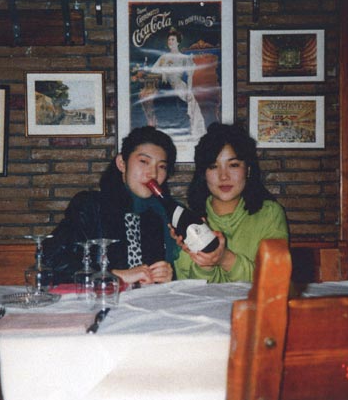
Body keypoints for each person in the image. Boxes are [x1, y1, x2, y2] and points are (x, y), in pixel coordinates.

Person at [43, 126, 179, 286]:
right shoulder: (91, 205)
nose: (153, 174)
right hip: (97, 299)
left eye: (161, 166)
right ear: (122, 163)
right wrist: (114, 276)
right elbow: (51, 260)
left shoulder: (158, 214)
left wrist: (166, 275)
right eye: (144, 161)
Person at [174, 123, 289, 282]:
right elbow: (189, 288)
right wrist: (206, 264)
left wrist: (226, 259)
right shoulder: (188, 222)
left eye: (233, 165)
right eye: (213, 166)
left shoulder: (270, 214)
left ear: (248, 169)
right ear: (203, 173)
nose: (224, 176)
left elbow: (274, 279)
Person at [148, 28, 206, 139]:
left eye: (173, 40)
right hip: (165, 87)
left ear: (178, 42)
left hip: (179, 87)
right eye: (169, 40)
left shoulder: (184, 58)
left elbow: (190, 76)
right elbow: (153, 70)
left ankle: (190, 133)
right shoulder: (163, 57)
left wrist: (189, 91)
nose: (170, 42)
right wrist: (163, 72)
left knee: (190, 106)